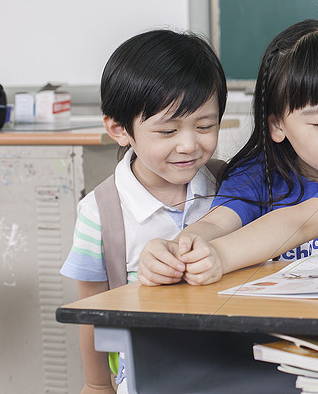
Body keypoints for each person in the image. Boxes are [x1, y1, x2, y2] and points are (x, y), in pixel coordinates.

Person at [137, 19, 318, 287]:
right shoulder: (256, 171)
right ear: (278, 125)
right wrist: (175, 252)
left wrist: (220, 254)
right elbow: (217, 224)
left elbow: (302, 222)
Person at [60, 29, 228, 394]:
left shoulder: (231, 187)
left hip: (230, 369)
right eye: (167, 131)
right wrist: (96, 385)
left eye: (205, 126)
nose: (189, 144)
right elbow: (91, 310)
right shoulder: (100, 212)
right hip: (143, 379)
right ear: (120, 130)